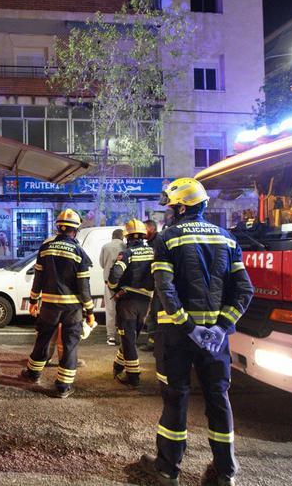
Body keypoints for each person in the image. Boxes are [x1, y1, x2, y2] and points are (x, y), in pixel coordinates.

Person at [140, 178, 254, 486]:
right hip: (215, 341)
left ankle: (167, 469)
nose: (168, 214)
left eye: (171, 208)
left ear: (180, 207)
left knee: (175, 398)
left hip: (177, 337)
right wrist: (220, 327)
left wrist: (188, 327)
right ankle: (225, 472)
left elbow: (164, 288)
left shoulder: (167, 239)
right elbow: (244, 290)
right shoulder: (228, 240)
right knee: (218, 398)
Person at [19, 209, 95, 399]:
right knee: (69, 344)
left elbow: (38, 277)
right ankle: (63, 386)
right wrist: (90, 311)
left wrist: (34, 300)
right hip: (72, 309)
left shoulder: (46, 247)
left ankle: (33, 373)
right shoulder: (79, 252)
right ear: (75, 230)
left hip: (50, 305)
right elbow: (84, 286)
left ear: (58, 227)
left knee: (43, 338)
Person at [106, 219, 154, 387]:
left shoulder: (127, 254)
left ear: (127, 238)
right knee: (130, 338)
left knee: (127, 338)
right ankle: (119, 364)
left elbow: (114, 276)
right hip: (146, 302)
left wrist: (114, 289)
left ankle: (133, 376)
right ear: (143, 236)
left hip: (127, 302)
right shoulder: (153, 252)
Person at [99, 228, 125, 345]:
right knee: (124, 309)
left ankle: (111, 337)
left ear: (112, 236)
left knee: (110, 310)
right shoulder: (125, 247)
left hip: (109, 283)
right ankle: (124, 334)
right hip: (123, 283)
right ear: (122, 237)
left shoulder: (106, 247)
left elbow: (101, 263)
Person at [142, 219, 160, 351]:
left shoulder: (158, 242)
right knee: (152, 315)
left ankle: (153, 343)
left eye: (145, 229)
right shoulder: (151, 242)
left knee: (154, 315)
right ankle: (153, 342)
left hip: (159, 285)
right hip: (155, 285)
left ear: (152, 228)